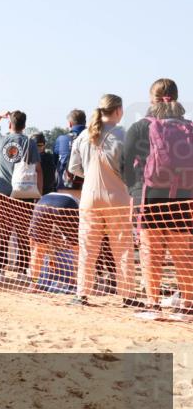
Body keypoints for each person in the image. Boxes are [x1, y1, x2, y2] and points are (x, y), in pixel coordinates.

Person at [122, 78, 193, 316]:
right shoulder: (189, 127)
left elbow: (126, 165)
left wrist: (133, 189)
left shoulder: (141, 127)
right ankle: (187, 306)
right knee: (183, 255)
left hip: (149, 196)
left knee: (151, 253)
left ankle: (153, 304)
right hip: (184, 197)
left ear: (151, 98)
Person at [67, 94, 134, 306]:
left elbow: (72, 168)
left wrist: (90, 174)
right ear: (118, 111)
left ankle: (82, 294)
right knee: (122, 247)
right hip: (117, 197)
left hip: (89, 197)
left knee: (88, 246)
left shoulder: (84, 135)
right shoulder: (124, 134)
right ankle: (128, 295)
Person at [0, 110, 42, 278]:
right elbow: (37, 169)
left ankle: (0, 268)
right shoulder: (29, 143)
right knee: (24, 234)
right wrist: (39, 193)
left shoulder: (1, 141)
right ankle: (23, 270)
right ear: (24, 125)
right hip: (25, 194)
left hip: (2, 194)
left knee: (3, 233)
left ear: (10, 124)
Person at [53, 110, 86, 190]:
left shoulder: (61, 139)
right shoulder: (91, 139)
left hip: (64, 185)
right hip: (86, 186)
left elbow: (54, 162)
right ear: (85, 122)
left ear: (70, 124)